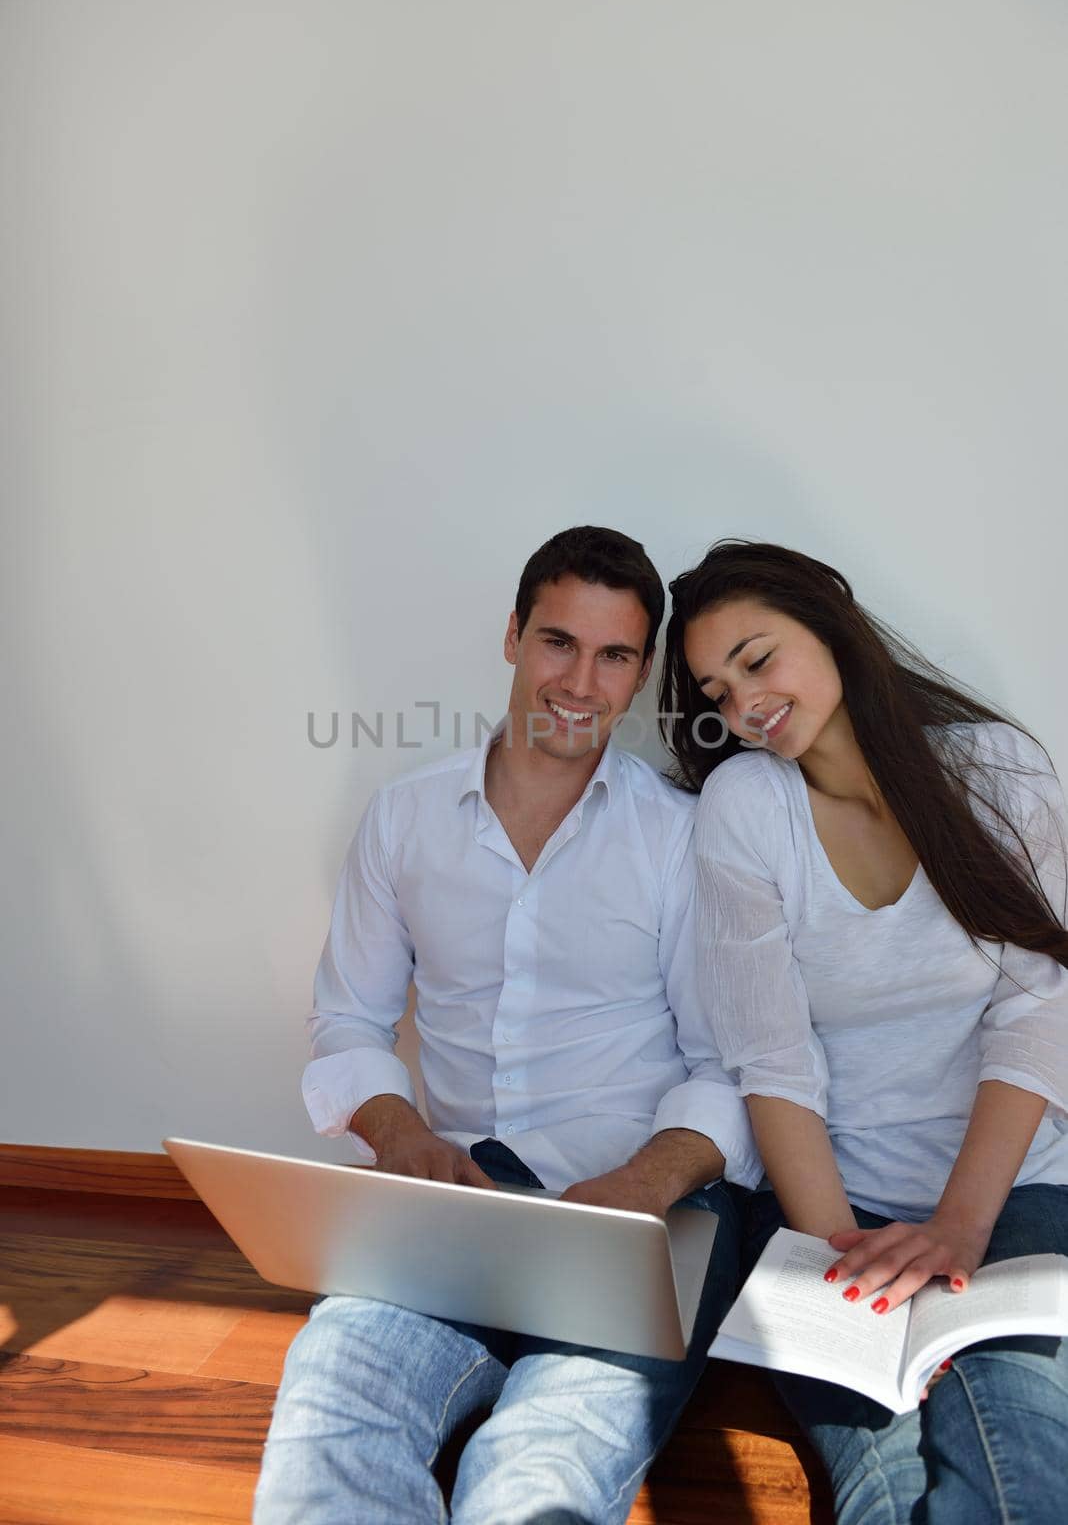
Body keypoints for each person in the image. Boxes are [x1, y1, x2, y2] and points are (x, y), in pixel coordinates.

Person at [253, 525, 760, 1525]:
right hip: (459, 1199)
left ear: (644, 668)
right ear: (513, 637)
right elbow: (349, 1021)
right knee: (333, 1408)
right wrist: (400, 1136)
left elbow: (731, 1063)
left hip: (645, 1205)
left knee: (540, 1470)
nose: (581, 680)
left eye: (614, 655)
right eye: (558, 642)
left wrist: (641, 1184)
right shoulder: (403, 819)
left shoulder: (683, 837)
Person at [659, 539, 1068, 1525]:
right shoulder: (745, 807)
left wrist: (959, 1229)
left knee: (1013, 1456)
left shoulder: (997, 770)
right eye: (718, 690)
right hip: (826, 1201)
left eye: (758, 660)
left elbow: (1040, 1005)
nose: (743, 703)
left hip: (1010, 1189)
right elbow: (772, 1056)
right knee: (880, 1476)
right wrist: (842, 1257)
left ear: (831, 621)